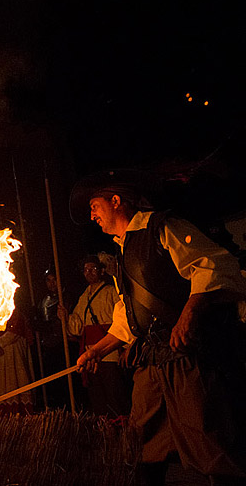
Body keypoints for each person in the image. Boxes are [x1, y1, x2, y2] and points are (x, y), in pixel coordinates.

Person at [71, 170, 246, 485]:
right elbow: (128, 316)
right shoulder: (122, 251)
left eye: (95, 205)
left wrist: (190, 312)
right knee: (142, 447)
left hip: (185, 359)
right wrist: (96, 350)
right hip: (151, 366)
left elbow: (214, 265)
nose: (92, 213)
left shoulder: (163, 228)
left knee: (211, 444)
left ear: (116, 200)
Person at [58, 256, 130, 417]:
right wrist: (66, 317)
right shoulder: (84, 297)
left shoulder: (111, 291)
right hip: (90, 354)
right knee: (98, 398)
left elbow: (124, 321)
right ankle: (104, 433)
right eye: (85, 270)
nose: (88, 273)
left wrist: (126, 349)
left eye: (93, 269)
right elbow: (77, 327)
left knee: (115, 396)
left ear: (102, 271)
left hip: (110, 352)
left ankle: (124, 431)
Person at [0, 301, 34, 414]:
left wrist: (0, 343)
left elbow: (17, 328)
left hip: (12, 350)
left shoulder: (11, 305)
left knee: (15, 383)